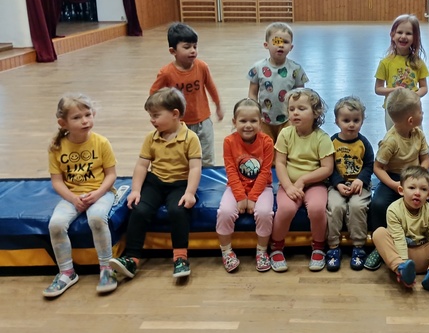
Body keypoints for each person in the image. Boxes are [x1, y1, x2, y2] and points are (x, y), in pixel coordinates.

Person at [110, 88, 202, 280]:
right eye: (150, 116)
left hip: (180, 183)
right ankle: (132, 258)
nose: (152, 120)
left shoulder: (190, 138)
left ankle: (180, 257)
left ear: (175, 114)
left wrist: (190, 192)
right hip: (156, 181)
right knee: (139, 210)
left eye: (156, 115)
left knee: (178, 210)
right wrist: (136, 190)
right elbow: (142, 165)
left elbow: (195, 168)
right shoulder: (151, 138)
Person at [43, 94, 118, 298]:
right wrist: (72, 198)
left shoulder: (101, 142)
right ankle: (67, 272)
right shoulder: (57, 147)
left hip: (100, 192)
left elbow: (111, 175)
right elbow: (57, 181)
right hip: (73, 196)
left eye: (88, 115)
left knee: (97, 218)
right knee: (56, 224)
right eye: (77, 117)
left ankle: (106, 268)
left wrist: (98, 193)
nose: (85, 121)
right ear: (63, 123)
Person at [269, 88, 335, 272]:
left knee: (316, 208)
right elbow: (280, 163)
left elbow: (327, 168)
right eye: (291, 109)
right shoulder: (285, 134)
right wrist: (288, 186)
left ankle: (319, 247)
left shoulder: (322, 138)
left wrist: (304, 180)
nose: (295, 113)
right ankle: (276, 246)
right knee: (286, 209)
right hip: (289, 184)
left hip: (315, 184)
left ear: (316, 113)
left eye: (301, 108)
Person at [365, 88, 429, 271]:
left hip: (415, 176)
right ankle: (379, 245)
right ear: (410, 120)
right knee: (378, 204)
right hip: (394, 178)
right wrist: (394, 185)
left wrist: (419, 176)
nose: (423, 114)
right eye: (420, 111)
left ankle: (423, 238)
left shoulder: (418, 134)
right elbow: (378, 168)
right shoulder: (391, 141)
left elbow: (426, 159)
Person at [150, 23, 223, 167]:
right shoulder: (166, 73)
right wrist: (159, 115)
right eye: (187, 47)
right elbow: (153, 95)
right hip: (178, 123)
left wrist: (218, 105)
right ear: (173, 51)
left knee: (207, 157)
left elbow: (211, 86)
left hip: (203, 121)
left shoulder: (202, 67)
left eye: (195, 46)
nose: (193, 51)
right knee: (182, 157)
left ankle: (207, 178)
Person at [372, 166, 429, 291]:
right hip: (403, 256)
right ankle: (401, 269)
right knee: (379, 233)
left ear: (428, 195)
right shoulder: (394, 209)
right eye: (411, 188)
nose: (417, 193)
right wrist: (404, 267)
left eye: (423, 189)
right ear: (401, 190)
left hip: (426, 256)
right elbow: (398, 240)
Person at [216, 98, 275, 273]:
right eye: (243, 121)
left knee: (264, 213)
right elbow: (231, 171)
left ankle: (262, 251)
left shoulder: (267, 142)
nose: (248, 125)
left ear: (261, 122)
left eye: (253, 121)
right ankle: (226, 251)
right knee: (224, 212)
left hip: (262, 187)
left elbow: (264, 172)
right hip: (236, 186)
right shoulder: (229, 142)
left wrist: (253, 197)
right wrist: (241, 196)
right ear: (234, 122)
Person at [326, 97, 374, 271]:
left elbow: (369, 164)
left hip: (360, 185)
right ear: (337, 121)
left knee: (357, 206)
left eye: (356, 120)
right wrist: (338, 184)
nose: (351, 124)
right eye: (346, 120)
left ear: (362, 121)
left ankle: (359, 246)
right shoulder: (332, 142)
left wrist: (361, 180)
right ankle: (333, 246)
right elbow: (329, 167)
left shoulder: (364, 143)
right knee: (335, 207)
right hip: (337, 186)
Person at [248, 22, 308, 143]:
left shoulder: (296, 69)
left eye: (285, 42)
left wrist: (296, 115)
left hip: (288, 119)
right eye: (276, 41)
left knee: (286, 146)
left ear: (291, 47)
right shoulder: (258, 68)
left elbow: (300, 96)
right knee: (266, 147)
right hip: (264, 120)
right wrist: (255, 113)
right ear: (266, 45)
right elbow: (252, 93)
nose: (281, 45)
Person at [375, 14, 429, 130]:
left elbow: (424, 87)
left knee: (416, 136)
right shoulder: (385, 63)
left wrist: (413, 95)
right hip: (393, 109)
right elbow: (378, 89)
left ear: (415, 37)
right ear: (392, 35)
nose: (403, 36)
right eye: (399, 32)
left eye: (408, 33)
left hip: (413, 108)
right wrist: (394, 90)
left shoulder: (418, 63)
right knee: (394, 136)